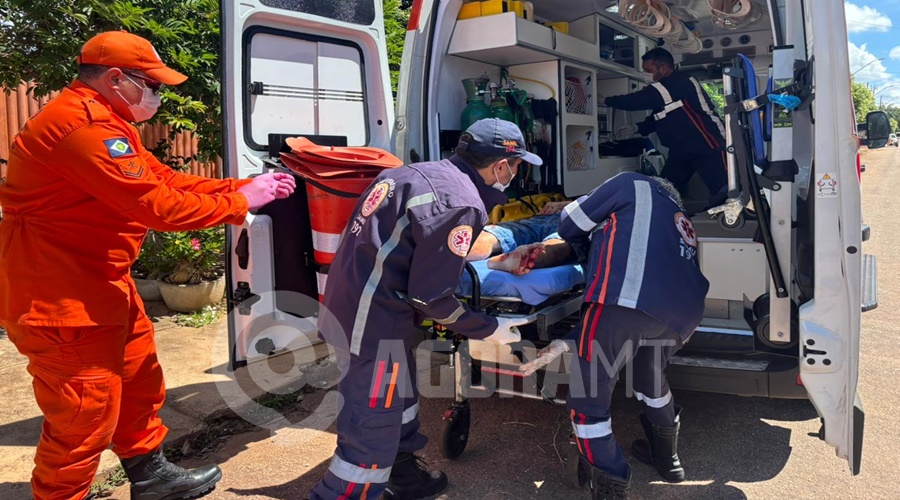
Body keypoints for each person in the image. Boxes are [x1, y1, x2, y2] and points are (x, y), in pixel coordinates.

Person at [0, 31, 296, 500]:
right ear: (117, 78)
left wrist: (242, 187)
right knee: (84, 418)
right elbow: (157, 207)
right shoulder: (82, 129)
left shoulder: (108, 121)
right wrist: (240, 202)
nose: (157, 95)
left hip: (101, 284)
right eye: (152, 85)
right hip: (60, 298)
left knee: (139, 384)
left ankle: (151, 476)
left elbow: (165, 179)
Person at [309, 118, 541, 500]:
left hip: (355, 300)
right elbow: (430, 298)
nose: (516, 174)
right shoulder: (460, 202)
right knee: (372, 423)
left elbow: (420, 249)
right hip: (374, 319)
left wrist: (495, 257)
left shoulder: (417, 174)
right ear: (501, 165)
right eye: (516, 166)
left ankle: (402, 475)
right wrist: (487, 327)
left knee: (398, 398)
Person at [516, 173, 710, 499]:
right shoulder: (676, 217)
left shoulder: (632, 182)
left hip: (627, 302)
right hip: (684, 313)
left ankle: (610, 484)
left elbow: (568, 225)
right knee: (651, 376)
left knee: (588, 400)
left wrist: (577, 207)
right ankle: (668, 459)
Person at [603, 47, 728, 209]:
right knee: (665, 190)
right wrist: (636, 128)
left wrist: (606, 100)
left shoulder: (680, 81)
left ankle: (734, 222)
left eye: (648, 70)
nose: (645, 73)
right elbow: (660, 116)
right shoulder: (664, 91)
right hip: (681, 150)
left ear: (663, 69)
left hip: (708, 144)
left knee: (724, 191)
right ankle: (666, 218)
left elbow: (637, 101)